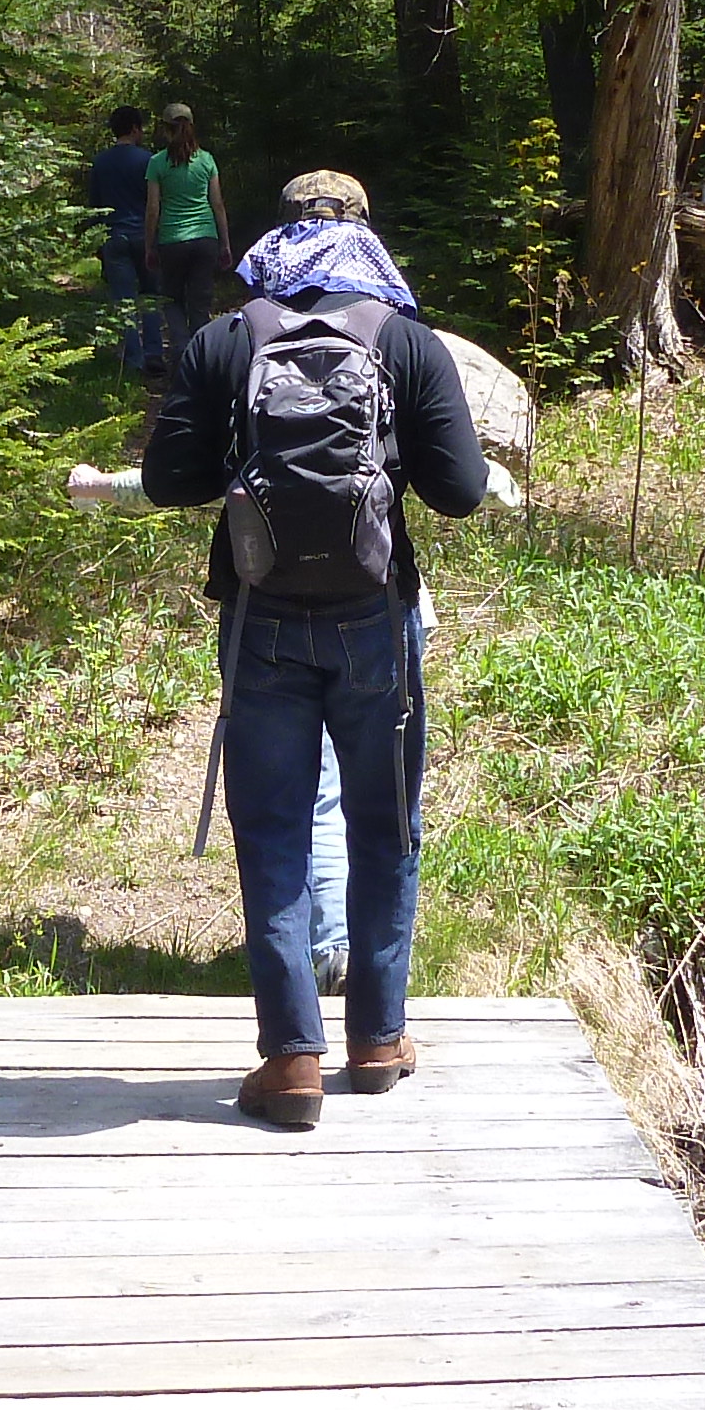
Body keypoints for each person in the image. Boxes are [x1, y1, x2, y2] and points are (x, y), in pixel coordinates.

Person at [139, 168, 487, 1130]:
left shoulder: (224, 340)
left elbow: (168, 481)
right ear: (367, 239)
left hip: (261, 623)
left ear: (276, 237)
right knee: (384, 822)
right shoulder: (407, 343)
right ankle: (379, 1039)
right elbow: (458, 492)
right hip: (376, 622)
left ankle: (291, 1059)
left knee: (276, 833)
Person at [140, 103, 226, 351]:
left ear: (166, 130)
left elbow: (153, 209)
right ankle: (202, 362)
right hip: (205, 239)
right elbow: (217, 204)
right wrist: (225, 243)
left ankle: (181, 353)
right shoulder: (207, 160)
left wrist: (149, 246)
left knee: (173, 301)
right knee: (199, 304)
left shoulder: (157, 163)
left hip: (172, 241)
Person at [86, 105, 160, 377]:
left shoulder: (101, 162)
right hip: (145, 235)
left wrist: (97, 240)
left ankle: (134, 360)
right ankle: (155, 353)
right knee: (151, 296)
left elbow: (94, 206)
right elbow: (155, 203)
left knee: (124, 301)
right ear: (134, 129)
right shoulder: (149, 160)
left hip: (114, 237)